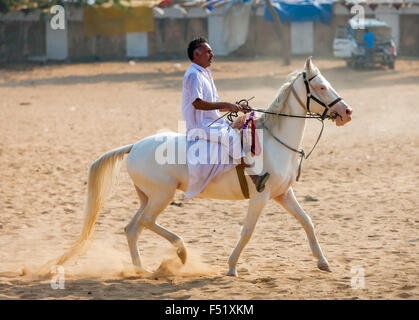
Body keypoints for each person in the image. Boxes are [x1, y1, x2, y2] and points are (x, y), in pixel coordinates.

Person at [182, 37, 269, 200]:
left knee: (243, 128)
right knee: (232, 138)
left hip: (212, 122)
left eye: (211, 51)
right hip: (200, 125)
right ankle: (254, 176)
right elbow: (198, 103)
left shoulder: (205, 74)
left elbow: (214, 105)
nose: (212, 54)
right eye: (208, 52)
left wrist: (236, 107)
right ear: (196, 54)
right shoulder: (194, 75)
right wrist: (227, 105)